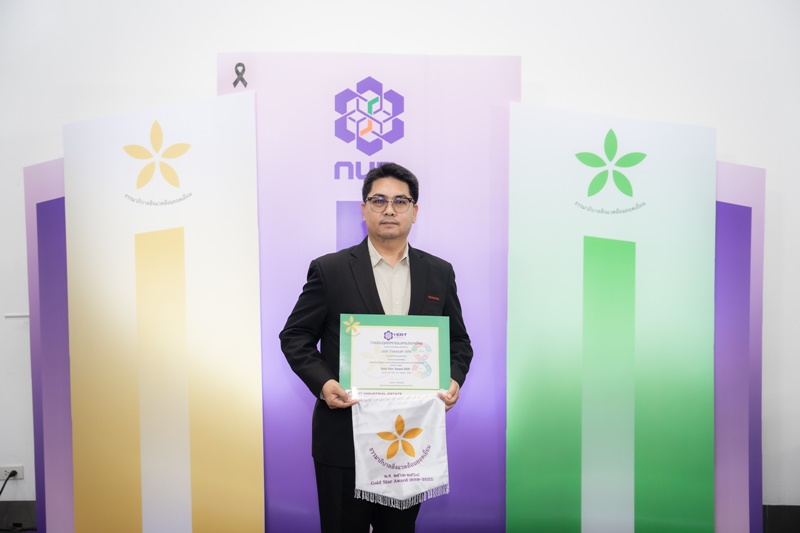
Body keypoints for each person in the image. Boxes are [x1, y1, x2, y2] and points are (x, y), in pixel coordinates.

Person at [279, 162, 473, 533]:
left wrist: (453, 379)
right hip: (343, 438)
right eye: (378, 200)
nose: (389, 209)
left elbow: (459, 341)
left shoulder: (439, 272)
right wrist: (324, 383)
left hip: (409, 442)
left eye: (400, 201)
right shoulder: (330, 269)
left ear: (415, 211)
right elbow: (295, 335)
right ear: (364, 209)